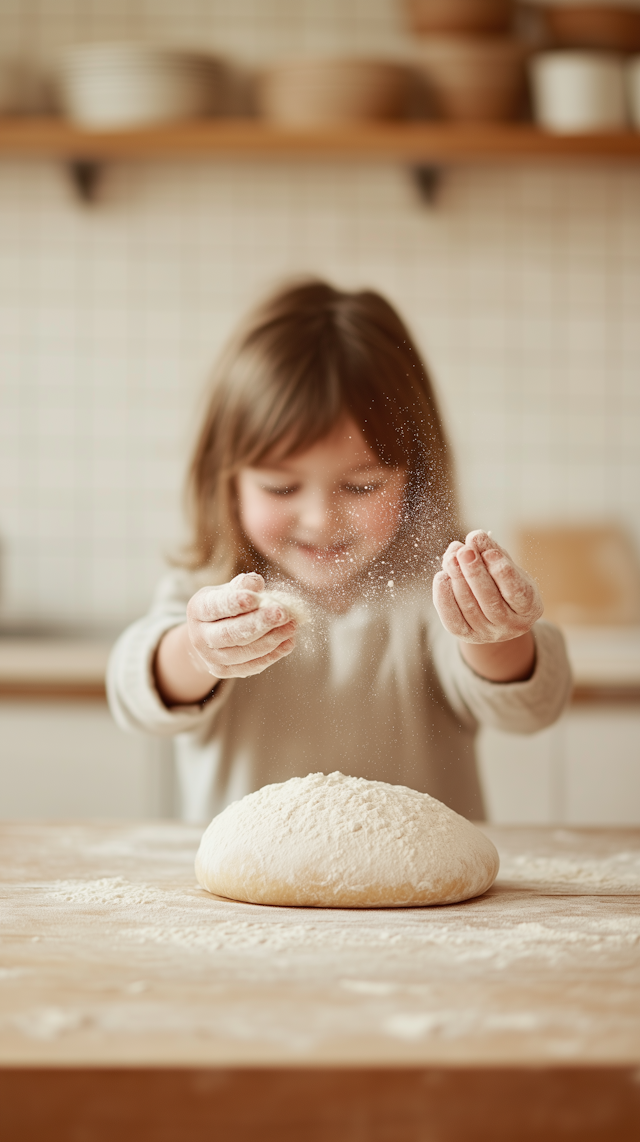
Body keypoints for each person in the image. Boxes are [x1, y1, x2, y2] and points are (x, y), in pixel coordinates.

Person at [108, 280, 572, 823]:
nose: (321, 519)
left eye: (361, 486)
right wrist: (200, 650)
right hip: (255, 904)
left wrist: (495, 635)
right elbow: (133, 692)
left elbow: (532, 709)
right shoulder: (212, 594)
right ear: (227, 482)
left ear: (415, 478)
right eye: (281, 488)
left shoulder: (435, 587)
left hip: (424, 903)